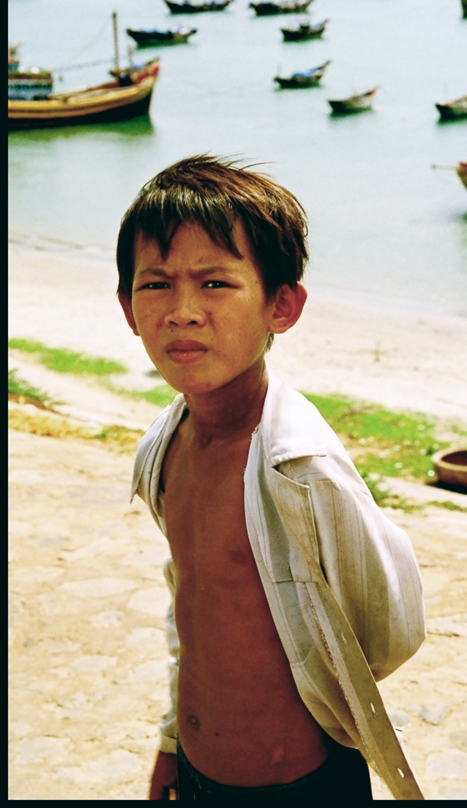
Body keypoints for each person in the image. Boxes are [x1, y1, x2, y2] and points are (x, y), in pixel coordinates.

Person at [117, 156, 426, 802]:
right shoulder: (165, 450)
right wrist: (173, 743)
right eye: (156, 285)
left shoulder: (299, 470)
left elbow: (388, 627)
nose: (183, 311)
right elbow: (192, 607)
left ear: (281, 305)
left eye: (214, 284)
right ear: (127, 306)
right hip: (200, 773)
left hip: (298, 784)